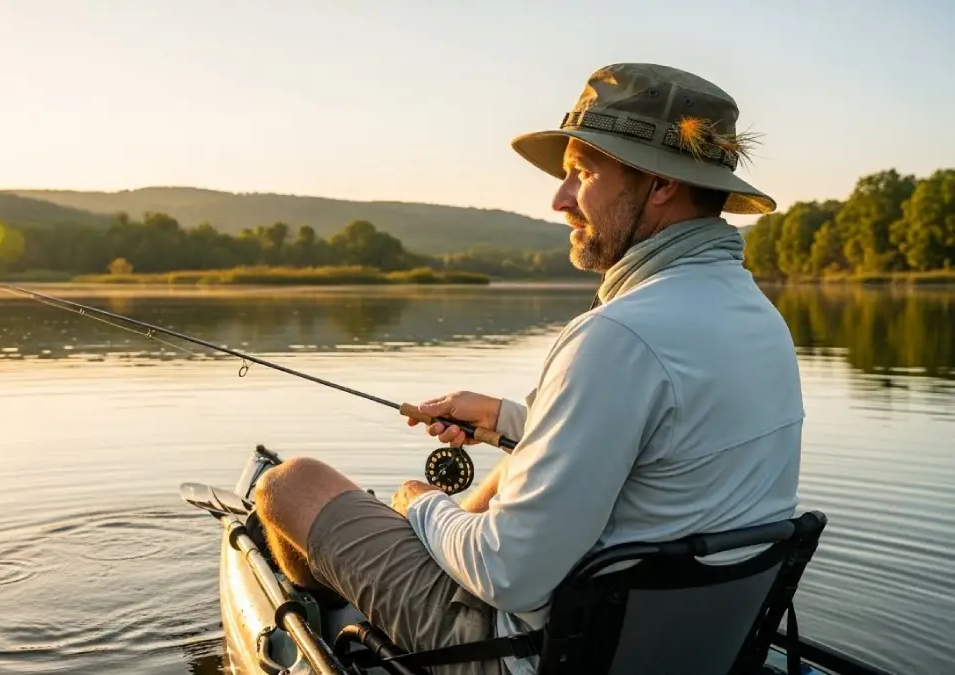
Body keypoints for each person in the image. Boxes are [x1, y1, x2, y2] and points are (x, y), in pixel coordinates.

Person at [251, 63, 804, 675]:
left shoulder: (620, 334)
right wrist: (507, 420)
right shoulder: (759, 319)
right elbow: (661, 458)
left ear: (659, 184)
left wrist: (421, 504)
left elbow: (508, 575)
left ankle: (335, 618)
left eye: (582, 173)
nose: (559, 199)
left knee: (289, 485)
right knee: (507, 473)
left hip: (528, 656)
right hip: (692, 651)